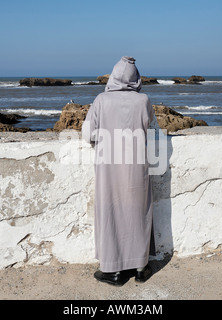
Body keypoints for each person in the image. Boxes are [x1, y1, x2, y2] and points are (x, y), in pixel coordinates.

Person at [82, 56, 160, 286]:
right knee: (138, 212)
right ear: (136, 79)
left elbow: (88, 134)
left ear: (114, 75)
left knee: (110, 213)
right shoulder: (143, 100)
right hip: (136, 165)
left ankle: (112, 271)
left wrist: (107, 136)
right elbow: (151, 128)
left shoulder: (101, 100)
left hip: (109, 166)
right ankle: (140, 267)